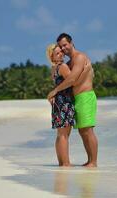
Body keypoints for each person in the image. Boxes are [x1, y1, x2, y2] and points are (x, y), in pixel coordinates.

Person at [47, 33, 98, 168]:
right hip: (75, 99)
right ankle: (89, 161)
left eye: (64, 45)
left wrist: (55, 91)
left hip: (85, 96)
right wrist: (86, 72)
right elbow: (70, 80)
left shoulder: (80, 57)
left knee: (87, 130)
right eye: (60, 47)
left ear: (71, 43)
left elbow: (72, 80)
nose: (63, 49)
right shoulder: (67, 63)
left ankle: (93, 162)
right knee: (82, 131)